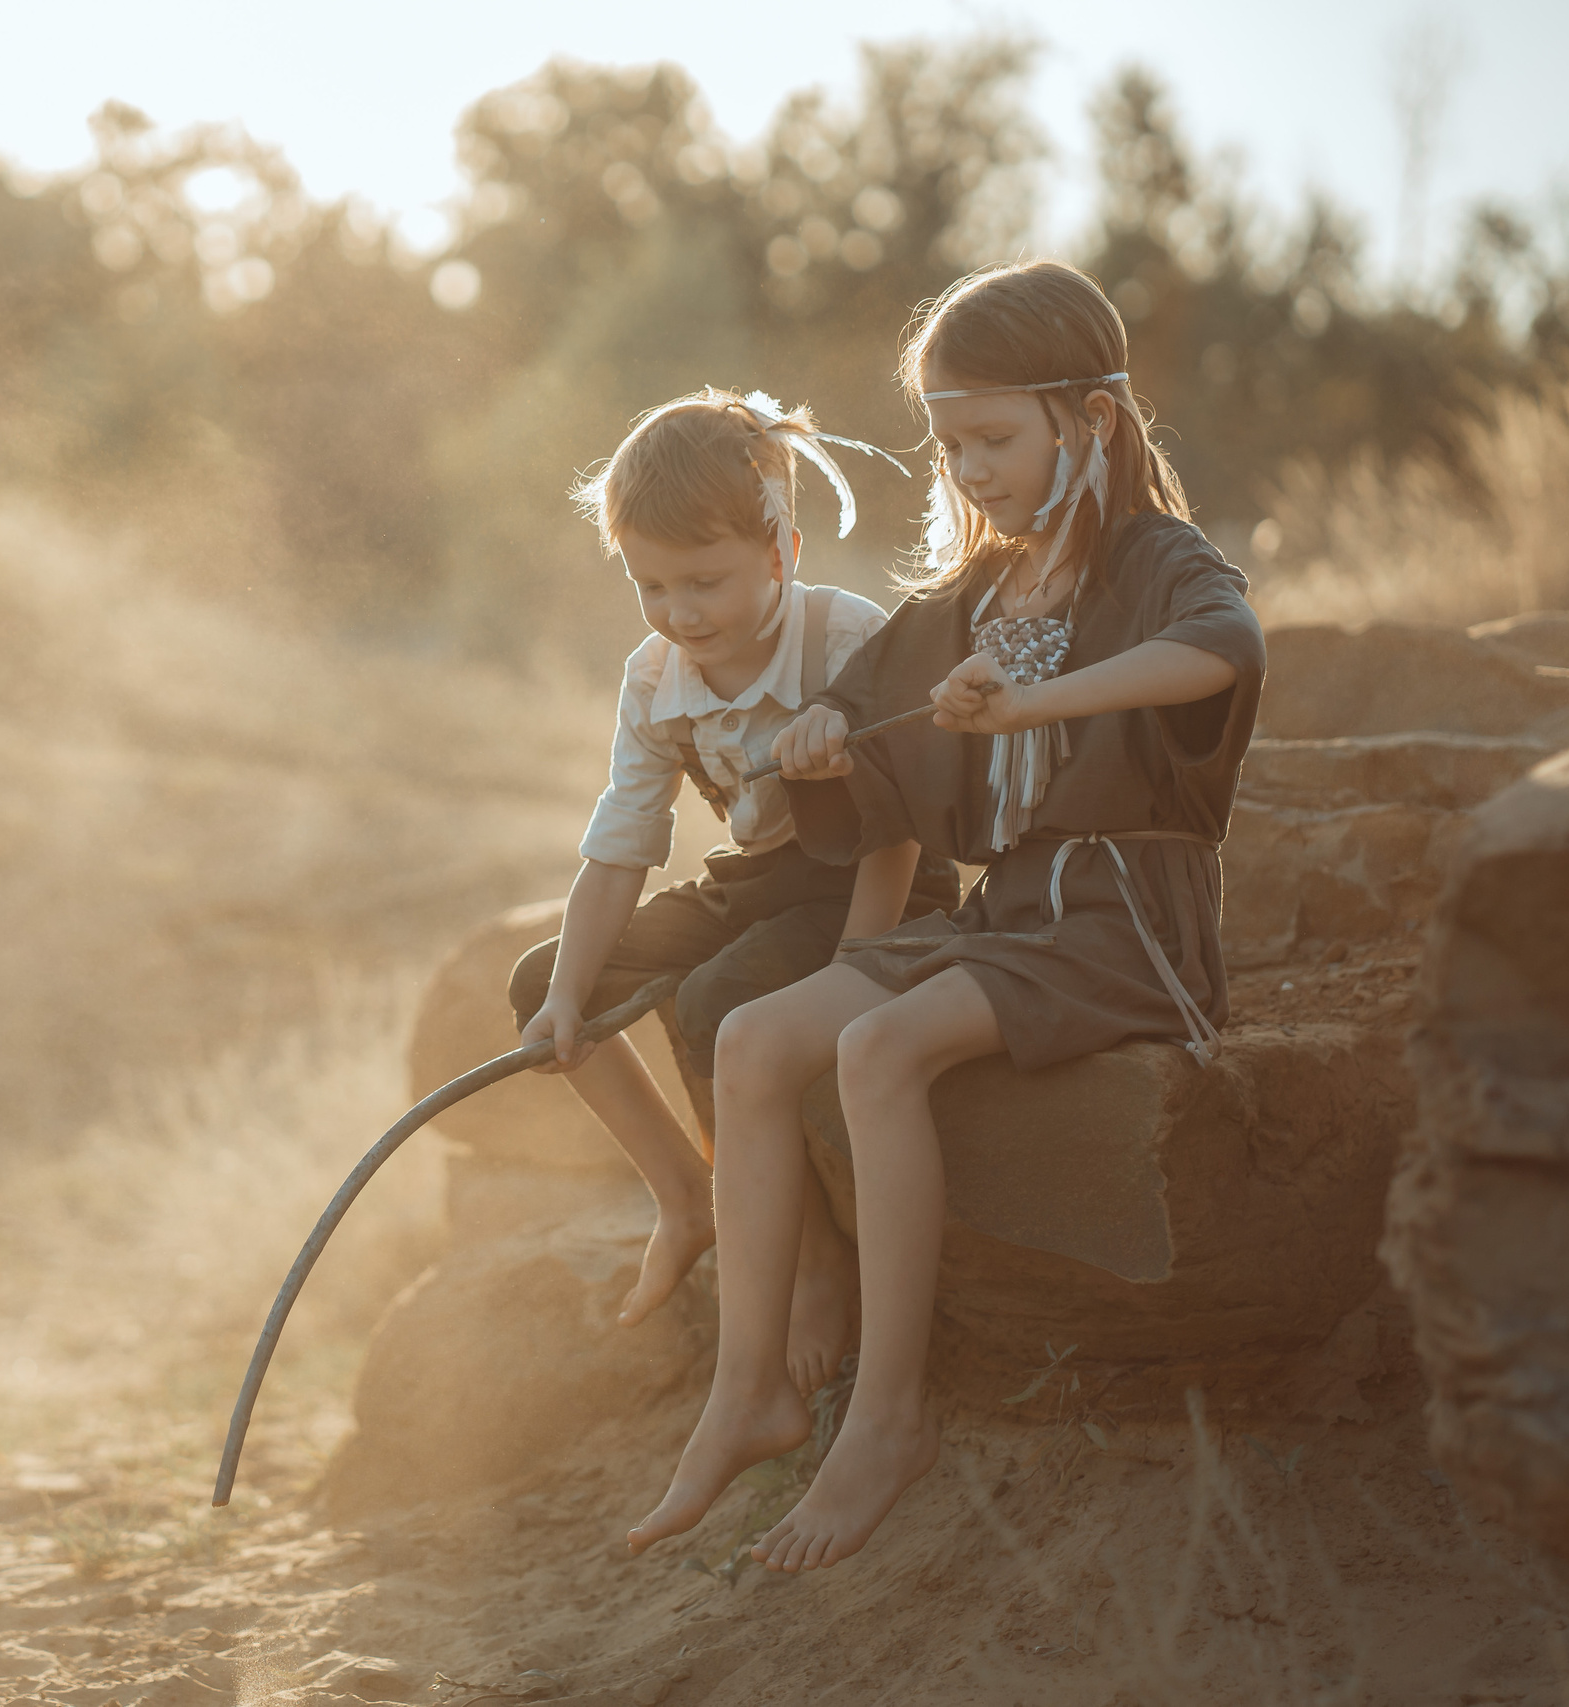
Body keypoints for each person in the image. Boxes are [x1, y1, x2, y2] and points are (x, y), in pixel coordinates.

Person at [625, 262, 1266, 1571]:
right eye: (950, 444)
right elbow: (867, 728)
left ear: (1089, 418)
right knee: (751, 1038)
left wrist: (1035, 703)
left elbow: (1225, 650)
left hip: (1126, 920)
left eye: (993, 439)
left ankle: (890, 1414)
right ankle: (749, 1388)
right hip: (1008, 914)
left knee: (878, 1047)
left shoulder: (1154, 560)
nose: (969, 469)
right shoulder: (978, 592)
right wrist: (819, 741)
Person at [509, 388, 959, 1332]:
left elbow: (900, 825)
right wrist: (568, 997)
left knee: (717, 998)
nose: (679, 612)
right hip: (763, 879)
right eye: (651, 586)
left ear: (781, 551)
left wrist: (859, 962)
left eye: (704, 582)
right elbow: (620, 848)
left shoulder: (845, 638)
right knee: (545, 982)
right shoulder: (654, 680)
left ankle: (814, 1255)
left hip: (878, 879)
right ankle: (687, 1196)